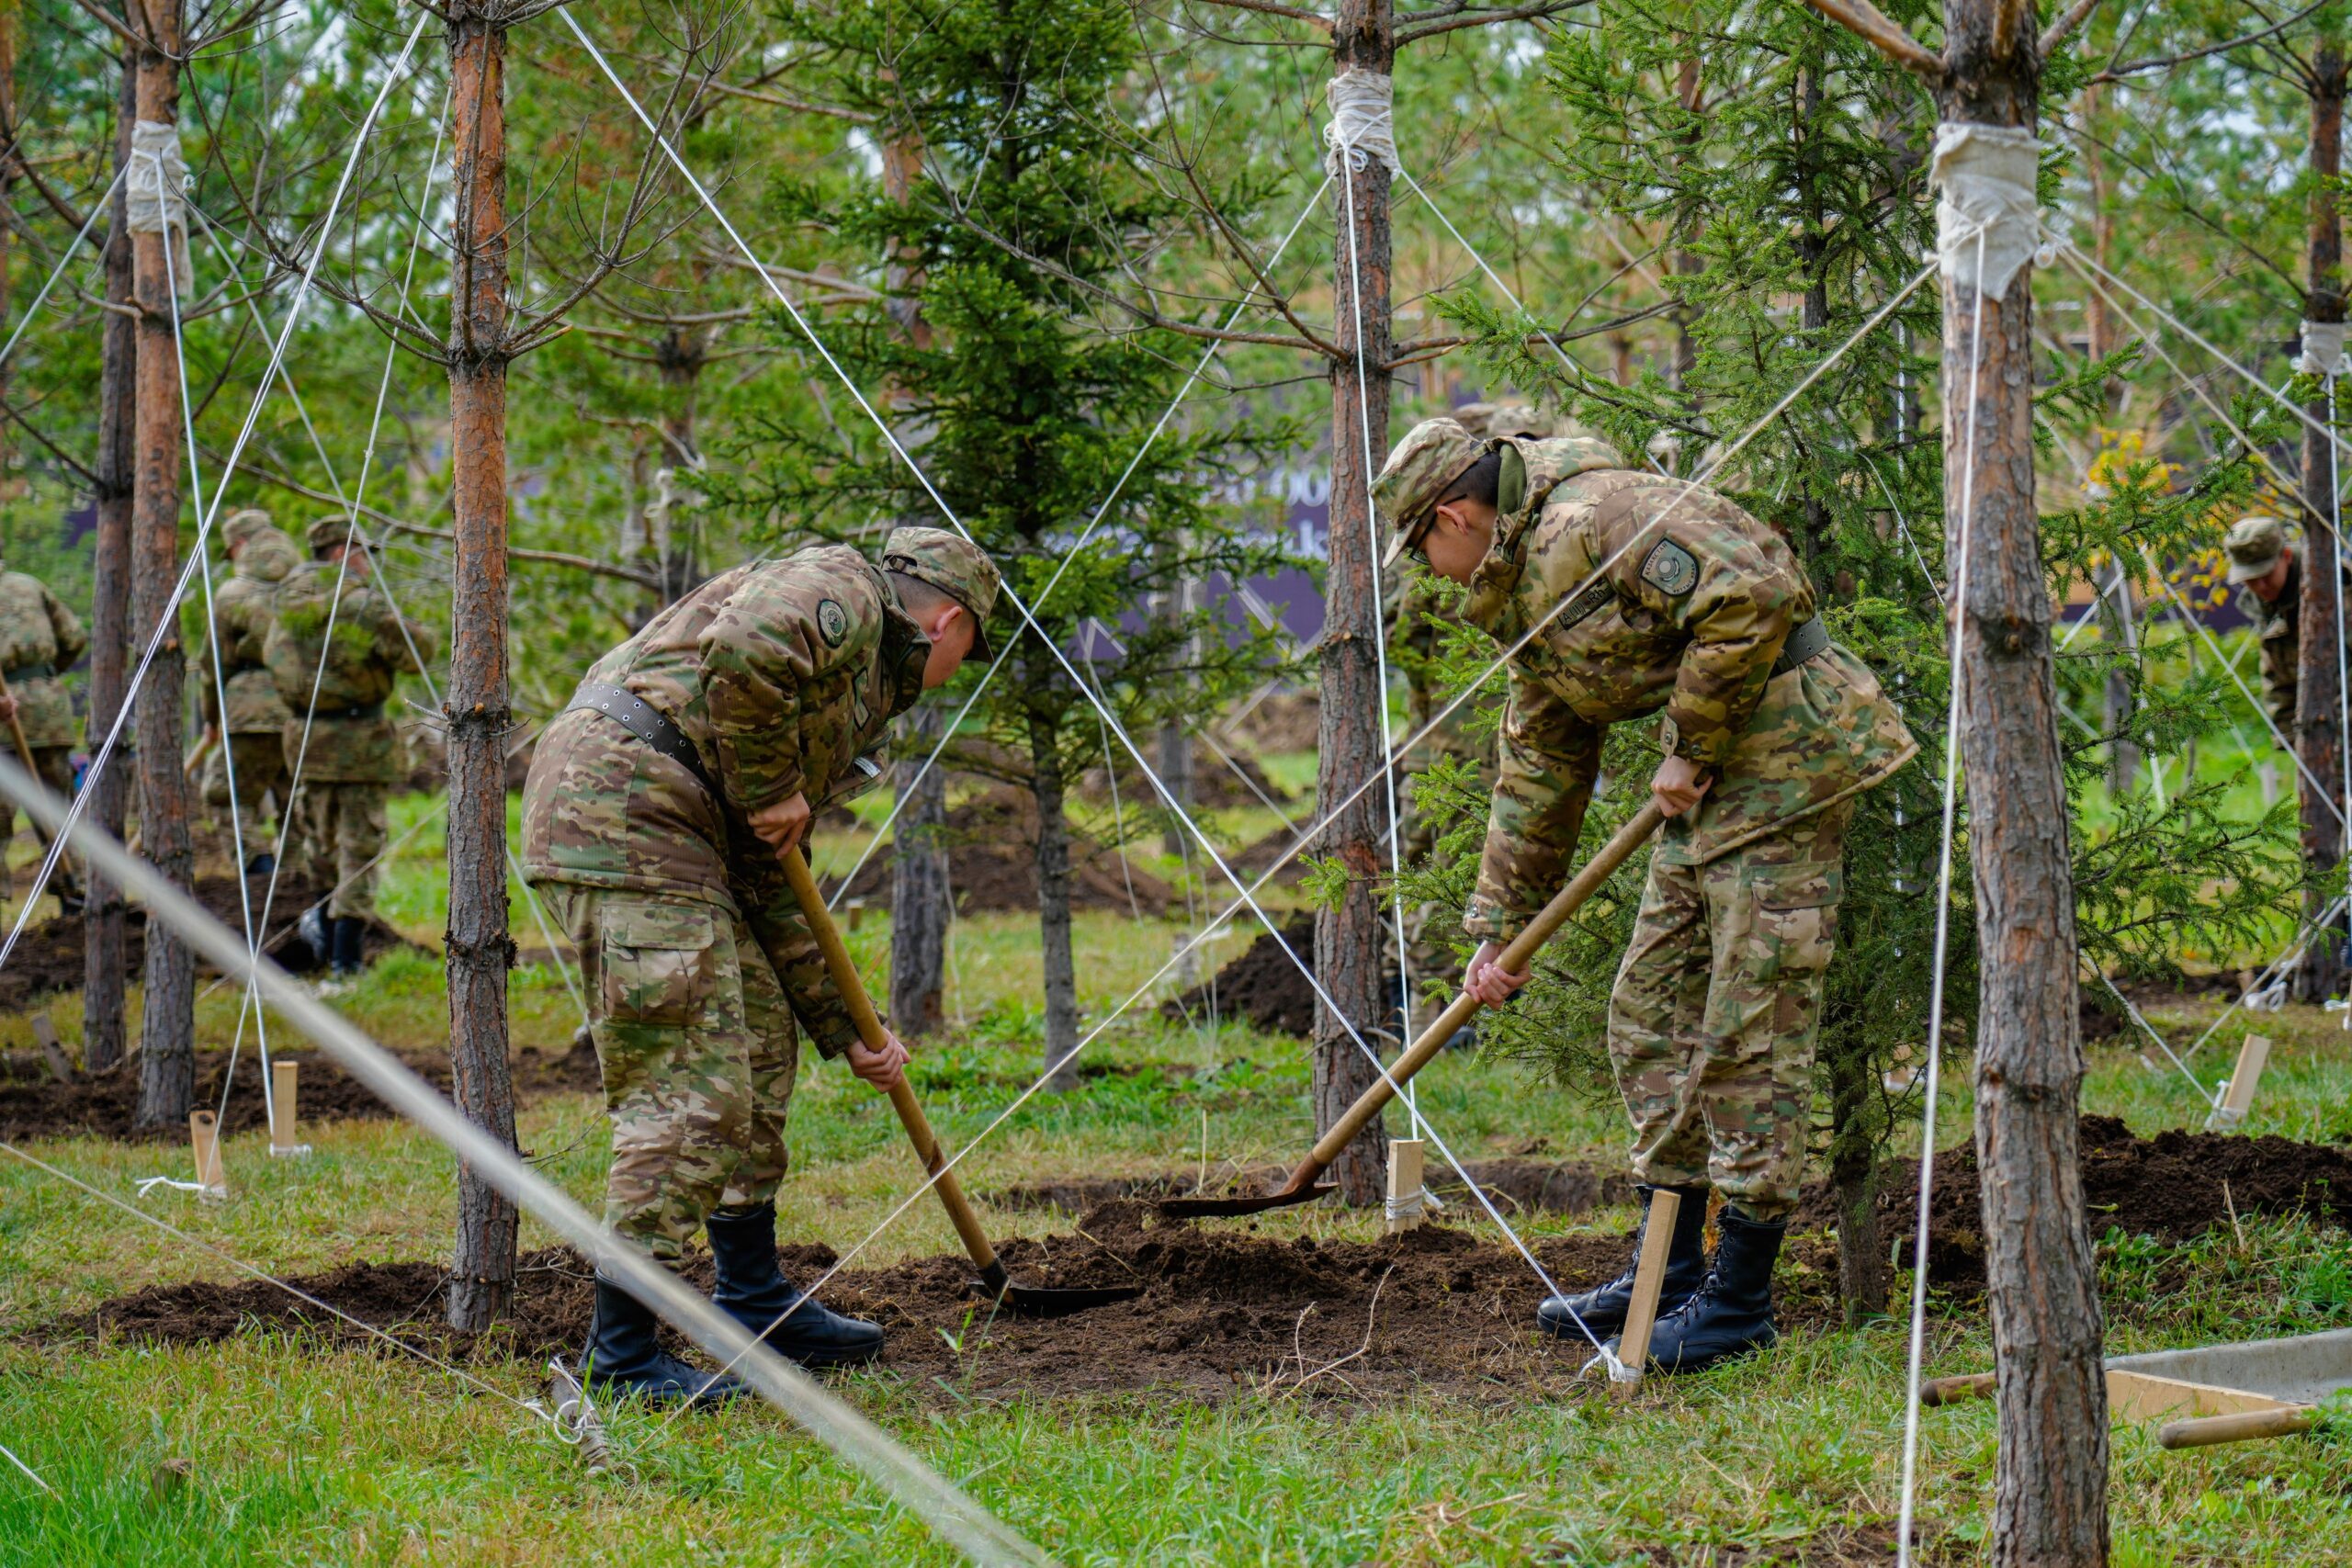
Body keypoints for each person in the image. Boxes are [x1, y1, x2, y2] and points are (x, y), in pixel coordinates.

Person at [1374, 417, 1917, 1371]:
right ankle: (1664, 1272)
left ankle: (1738, 1305)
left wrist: (1692, 743)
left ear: (1453, 515)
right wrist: (1501, 928)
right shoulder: (1522, 585)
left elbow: (1752, 592)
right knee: (1649, 1014)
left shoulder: (1597, 514)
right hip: (1710, 786)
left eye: (1422, 547)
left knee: (1752, 1027)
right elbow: (1539, 762)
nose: (1430, 570)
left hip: (1787, 763)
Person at [520, 525, 1000, 1405]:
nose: (956, 675)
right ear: (952, 623)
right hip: (625, 812)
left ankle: (751, 1300)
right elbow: (742, 647)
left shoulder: (843, 685)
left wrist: (846, 1027)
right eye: (970, 650)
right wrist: (778, 784)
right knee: (691, 1091)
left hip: (684, 826)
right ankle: (622, 1359)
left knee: (766, 1045)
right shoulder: (846, 591)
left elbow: (772, 871)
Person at [263, 517, 435, 985]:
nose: (367, 565)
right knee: (358, 848)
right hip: (359, 742)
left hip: (306, 740)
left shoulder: (286, 604)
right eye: (362, 554)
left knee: (319, 842)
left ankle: (321, 943)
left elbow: (272, 660)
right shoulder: (360, 602)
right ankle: (346, 963)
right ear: (340, 554)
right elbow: (418, 651)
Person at [198, 510, 300, 874]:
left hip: (249, 710)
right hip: (303, 707)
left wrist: (211, 718)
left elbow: (214, 665)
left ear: (240, 544)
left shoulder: (232, 594)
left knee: (223, 793)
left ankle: (259, 867)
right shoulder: (308, 588)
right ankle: (297, 881)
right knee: (297, 801)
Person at [0, 553, 89, 912]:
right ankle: (75, 898)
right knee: (55, 810)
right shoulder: (30, 585)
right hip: (49, 710)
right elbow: (75, 637)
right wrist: (42, 676)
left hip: (8, 715)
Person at [2222, 513, 2320, 737]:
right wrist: (2289, 738)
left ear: (2285, 556)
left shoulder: (2337, 585)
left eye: (2265, 574)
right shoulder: (2265, 606)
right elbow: (2277, 675)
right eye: (2251, 578)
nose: (2261, 586)